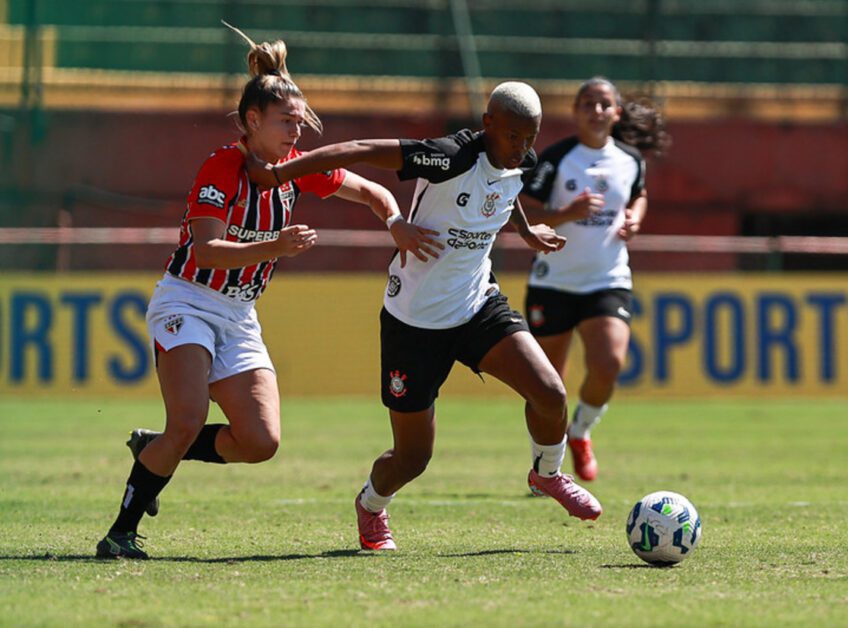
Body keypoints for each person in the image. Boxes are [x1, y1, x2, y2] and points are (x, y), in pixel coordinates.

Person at [95, 25, 435, 559]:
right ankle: (121, 532)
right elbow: (206, 251)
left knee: (261, 442)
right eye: (286, 123)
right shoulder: (222, 167)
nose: (296, 135)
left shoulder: (295, 170)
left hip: (239, 313)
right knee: (185, 419)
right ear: (252, 121)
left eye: (300, 125)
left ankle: (154, 451)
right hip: (187, 300)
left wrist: (394, 221)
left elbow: (372, 190)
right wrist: (274, 244)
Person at [250, 81, 603, 551]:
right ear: (488, 124)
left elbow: (505, 186)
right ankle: (371, 505)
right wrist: (280, 174)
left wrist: (525, 229)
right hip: (413, 322)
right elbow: (357, 150)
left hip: (478, 306)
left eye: (529, 138)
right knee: (414, 458)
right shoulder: (446, 157)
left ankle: (547, 474)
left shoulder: (520, 162)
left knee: (551, 393)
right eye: (513, 136)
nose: (522, 148)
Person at [519, 77, 670, 485]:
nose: (596, 111)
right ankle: (544, 464)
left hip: (607, 278)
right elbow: (521, 216)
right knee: (548, 383)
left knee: (609, 363)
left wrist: (636, 216)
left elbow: (638, 193)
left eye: (604, 104)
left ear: (616, 113)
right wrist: (567, 213)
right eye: (588, 103)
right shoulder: (554, 159)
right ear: (575, 111)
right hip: (554, 279)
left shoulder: (630, 159)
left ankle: (581, 432)